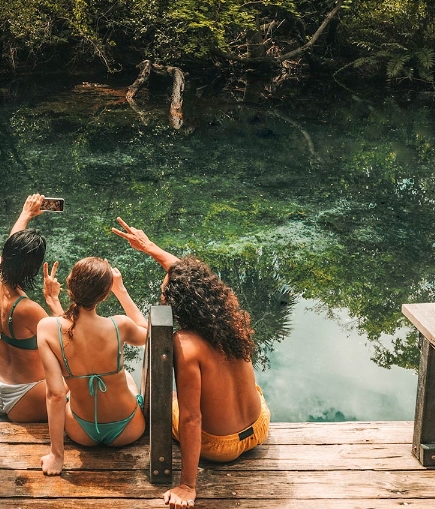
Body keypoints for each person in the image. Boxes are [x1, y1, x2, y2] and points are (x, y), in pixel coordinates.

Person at [112, 218, 269, 509]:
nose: (162, 294)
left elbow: (191, 418)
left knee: (172, 403)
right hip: (259, 427)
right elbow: (191, 277)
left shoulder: (185, 344)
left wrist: (188, 485)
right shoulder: (229, 312)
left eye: (164, 294)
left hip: (220, 447)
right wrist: (149, 248)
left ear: (180, 305)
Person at [37, 256, 149, 475]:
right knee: (124, 376)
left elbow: (56, 395)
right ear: (105, 294)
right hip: (128, 428)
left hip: (81, 432)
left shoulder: (46, 329)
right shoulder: (120, 326)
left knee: (71, 381)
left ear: (69, 285)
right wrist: (121, 290)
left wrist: (56, 456)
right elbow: (150, 333)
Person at [0, 194, 64, 421]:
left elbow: (11, 244)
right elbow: (72, 337)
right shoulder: (28, 309)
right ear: (33, 269)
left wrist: (26, 213)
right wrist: (53, 299)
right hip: (27, 395)